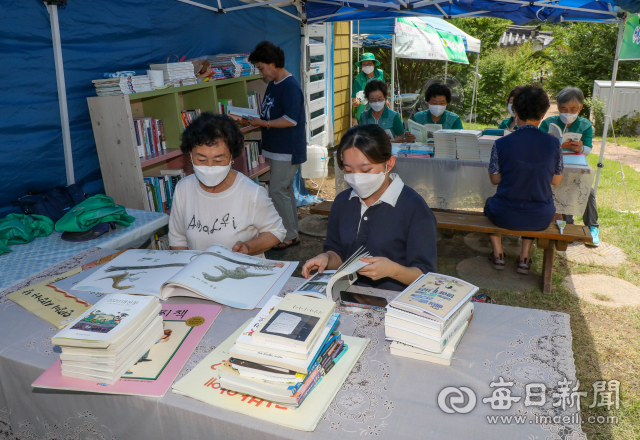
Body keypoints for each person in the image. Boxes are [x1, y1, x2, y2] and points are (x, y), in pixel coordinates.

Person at [302, 124, 437, 292]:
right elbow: (338, 253)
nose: (357, 178)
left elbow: (426, 275)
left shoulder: (414, 208)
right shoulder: (342, 202)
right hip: (349, 295)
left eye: (365, 170)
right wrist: (326, 258)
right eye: (349, 170)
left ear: (389, 163)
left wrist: (394, 271)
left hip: (396, 301)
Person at [168, 112, 286, 256]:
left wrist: (249, 247)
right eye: (202, 160)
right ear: (191, 156)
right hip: (197, 274)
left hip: (240, 274)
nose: (210, 167)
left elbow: (276, 231)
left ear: (232, 158)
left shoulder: (251, 193)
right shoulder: (183, 188)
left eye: (218, 160)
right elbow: (178, 239)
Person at [484, 85, 564, 275]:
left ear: (516, 112)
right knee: (531, 201)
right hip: (540, 217)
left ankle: (498, 253)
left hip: (504, 214)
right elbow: (556, 181)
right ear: (544, 113)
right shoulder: (554, 143)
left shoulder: (501, 143)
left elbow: (495, 180)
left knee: (488, 203)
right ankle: (525, 257)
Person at [245, 41, 306, 250]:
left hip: (287, 149)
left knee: (278, 190)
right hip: (276, 148)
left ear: (273, 63)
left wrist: (263, 123)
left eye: (262, 68)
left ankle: (288, 235)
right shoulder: (274, 83)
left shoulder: (290, 86)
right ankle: (291, 233)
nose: (261, 74)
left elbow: (291, 120)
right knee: (284, 190)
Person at [539, 86, 599, 247]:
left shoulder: (585, 124)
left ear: (581, 107)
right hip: (552, 166)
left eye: (573, 109)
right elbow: (538, 146)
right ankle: (564, 225)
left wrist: (581, 148)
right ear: (558, 108)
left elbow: (587, 149)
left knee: (587, 190)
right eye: (563, 109)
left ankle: (593, 227)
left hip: (575, 164)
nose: (568, 112)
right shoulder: (549, 123)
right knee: (556, 188)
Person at [352, 53, 385, 121]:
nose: (366, 66)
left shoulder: (380, 74)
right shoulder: (358, 79)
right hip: (364, 112)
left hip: (379, 108)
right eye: (364, 64)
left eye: (369, 63)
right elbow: (354, 99)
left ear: (374, 64)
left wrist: (386, 99)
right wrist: (356, 102)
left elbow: (384, 90)